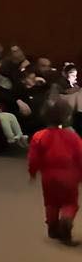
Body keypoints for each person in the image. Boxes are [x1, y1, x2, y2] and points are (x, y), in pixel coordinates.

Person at [28, 98, 82, 244]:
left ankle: (52, 227)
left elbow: (33, 159)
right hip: (70, 176)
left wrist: (32, 172)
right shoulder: (73, 136)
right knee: (70, 203)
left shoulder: (39, 136)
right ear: (67, 116)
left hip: (48, 177)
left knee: (51, 202)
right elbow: (80, 156)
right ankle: (66, 220)